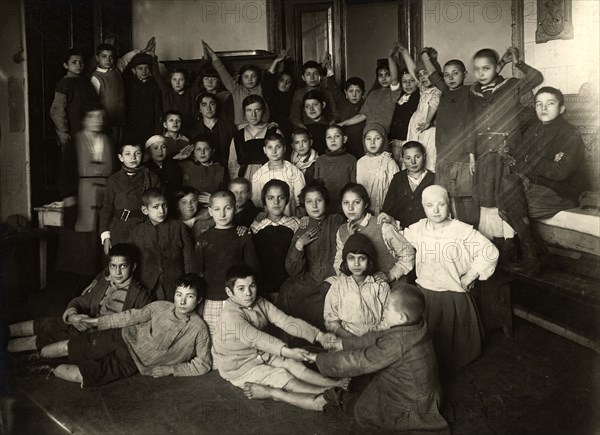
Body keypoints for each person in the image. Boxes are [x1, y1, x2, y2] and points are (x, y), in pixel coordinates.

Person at [307, 286, 449, 434]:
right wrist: (342, 344)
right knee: (370, 393)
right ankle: (347, 399)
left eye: (387, 308)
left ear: (401, 317)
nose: (384, 310)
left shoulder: (397, 342)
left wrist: (320, 359)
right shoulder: (416, 324)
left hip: (409, 403)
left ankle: (342, 400)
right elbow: (377, 337)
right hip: (424, 395)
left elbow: (359, 362)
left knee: (364, 414)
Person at [28, 274, 211, 388]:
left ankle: (49, 368)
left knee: (84, 375)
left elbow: (203, 364)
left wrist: (171, 369)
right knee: (73, 347)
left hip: (133, 362)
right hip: (121, 336)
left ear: (199, 299)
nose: (182, 301)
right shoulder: (161, 306)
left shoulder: (199, 329)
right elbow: (129, 317)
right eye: (179, 295)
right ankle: (37, 356)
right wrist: (95, 322)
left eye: (190, 297)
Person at [213, 264, 348, 411]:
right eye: (241, 288)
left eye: (252, 286)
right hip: (239, 366)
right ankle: (326, 393)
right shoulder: (230, 315)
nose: (248, 293)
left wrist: (318, 335)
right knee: (280, 375)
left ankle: (333, 384)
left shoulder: (260, 302)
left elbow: (285, 321)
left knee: (292, 364)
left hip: (260, 354)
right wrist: (287, 351)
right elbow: (257, 338)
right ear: (229, 292)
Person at [402, 185, 499, 372]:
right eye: (430, 205)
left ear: (449, 206)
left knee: (455, 350)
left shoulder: (460, 230)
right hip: (426, 294)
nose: (436, 210)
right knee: (427, 348)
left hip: (453, 295)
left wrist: (470, 275)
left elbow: (490, 252)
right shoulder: (418, 228)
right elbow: (400, 239)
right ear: (424, 207)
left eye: (441, 204)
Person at [499, 86, 586, 272]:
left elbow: (559, 173)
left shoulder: (570, 134)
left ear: (562, 109)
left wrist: (530, 159)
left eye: (550, 103)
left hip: (561, 192)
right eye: (539, 104)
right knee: (507, 183)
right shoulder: (533, 129)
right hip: (534, 185)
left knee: (507, 204)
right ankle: (534, 252)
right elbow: (517, 164)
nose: (543, 108)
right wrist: (538, 162)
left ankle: (534, 253)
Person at [467, 47, 543, 257]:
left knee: (505, 198)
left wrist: (516, 63)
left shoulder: (510, 86)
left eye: (486, 68)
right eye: (477, 69)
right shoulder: (473, 93)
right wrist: (472, 155)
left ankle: (511, 244)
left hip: (506, 153)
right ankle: (493, 244)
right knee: (487, 198)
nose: (481, 73)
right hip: (483, 154)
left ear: (496, 68)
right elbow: (470, 126)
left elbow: (537, 77)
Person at [7, 243, 151, 354]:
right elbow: (81, 301)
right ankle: (6, 331)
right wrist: (72, 315)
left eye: (123, 266)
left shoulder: (140, 294)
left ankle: (8, 347)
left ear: (133, 267)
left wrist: (94, 325)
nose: (117, 272)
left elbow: (140, 327)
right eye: (113, 266)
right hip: (84, 324)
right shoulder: (104, 282)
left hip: (101, 337)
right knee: (55, 321)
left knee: (52, 334)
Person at [194, 190, 261, 350]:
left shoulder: (243, 236)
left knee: (239, 339)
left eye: (227, 208)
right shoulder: (204, 239)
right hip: (212, 298)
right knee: (215, 340)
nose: (222, 214)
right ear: (210, 211)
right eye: (217, 209)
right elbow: (198, 272)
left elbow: (253, 270)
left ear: (236, 209)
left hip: (237, 299)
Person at [54, 105, 116, 276]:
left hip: (105, 193)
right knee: (82, 242)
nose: (98, 121)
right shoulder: (74, 141)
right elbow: (66, 172)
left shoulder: (109, 141)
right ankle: (82, 280)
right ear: (84, 120)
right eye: (93, 117)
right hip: (82, 195)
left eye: (100, 117)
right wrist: (69, 198)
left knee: (104, 233)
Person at [277, 181, 344, 330]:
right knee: (289, 291)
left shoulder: (337, 220)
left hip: (334, 275)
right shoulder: (303, 228)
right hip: (309, 278)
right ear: (304, 205)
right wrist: (299, 245)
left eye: (318, 200)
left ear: (326, 202)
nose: (314, 206)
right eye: (309, 202)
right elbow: (293, 270)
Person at [421, 48, 478, 225]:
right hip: (444, 156)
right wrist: (424, 56)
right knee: (446, 197)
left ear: (465, 74)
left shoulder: (471, 92)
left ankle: (471, 231)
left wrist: (472, 154)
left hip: (464, 156)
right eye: (446, 75)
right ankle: (454, 232)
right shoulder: (444, 90)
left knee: (467, 197)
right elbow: (432, 75)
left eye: (455, 73)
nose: (450, 78)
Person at [334, 183, 414, 286]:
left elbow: (408, 254)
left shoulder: (382, 226)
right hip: (362, 288)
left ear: (366, 204)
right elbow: (338, 262)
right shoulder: (342, 230)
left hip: (391, 285)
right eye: (346, 203)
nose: (350, 208)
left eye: (356, 202)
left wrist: (391, 275)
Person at [127, 188, 195, 301]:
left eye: (165, 205)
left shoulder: (179, 227)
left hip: (175, 286)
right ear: (145, 210)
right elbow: (127, 260)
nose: (162, 211)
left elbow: (189, 260)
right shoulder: (137, 232)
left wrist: (189, 284)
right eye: (155, 207)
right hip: (146, 287)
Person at [323, 233, 390, 337]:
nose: (356, 263)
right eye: (351, 258)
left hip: (374, 337)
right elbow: (330, 319)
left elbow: (388, 318)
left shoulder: (380, 286)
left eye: (362, 258)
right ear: (345, 260)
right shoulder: (339, 285)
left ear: (369, 260)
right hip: (346, 337)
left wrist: (372, 338)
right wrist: (348, 337)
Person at [99, 143, 162, 253]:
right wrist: (106, 236)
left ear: (143, 156)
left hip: (144, 226)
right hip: (119, 227)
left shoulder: (151, 177)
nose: (133, 158)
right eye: (127, 154)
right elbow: (107, 209)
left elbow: (159, 206)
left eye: (137, 154)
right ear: (121, 157)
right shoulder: (113, 179)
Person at [91, 40, 151, 144]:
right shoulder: (96, 77)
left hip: (121, 119)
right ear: (97, 58)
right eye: (104, 56)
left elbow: (126, 58)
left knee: (120, 146)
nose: (108, 60)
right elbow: (94, 103)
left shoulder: (116, 69)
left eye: (111, 56)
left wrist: (142, 51)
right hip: (107, 122)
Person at [250, 180, 300, 300]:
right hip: (264, 285)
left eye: (281, 197)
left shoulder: (296, 223)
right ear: (264, 201)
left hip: (289, 286)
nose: (276, 202)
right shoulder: (255, 226)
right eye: (270, 198)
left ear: (287, 200)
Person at [339, 43, 402, 134]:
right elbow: (362, 115)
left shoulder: (394, 92)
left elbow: (395, 80)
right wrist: (343, 123)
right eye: (380, 75)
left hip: (385, 136)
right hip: (369, 136)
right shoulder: (373, 94)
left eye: (387, 75)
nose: (383, 78)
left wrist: (390, 57)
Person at [204, 40, 268, 126]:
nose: (250, 79)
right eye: (246, 77)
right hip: (240, 128)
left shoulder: (262, 89)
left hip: (261, 127)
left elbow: (270, 79)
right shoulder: (237, 90)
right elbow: (223, 73)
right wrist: (213, 56)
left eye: (253, 76)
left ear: (258, 77)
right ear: (241, 78)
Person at [399, 45, 441, 171]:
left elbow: (434, 103)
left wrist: (427, 121)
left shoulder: (438, 89)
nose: (422, 77)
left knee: (427, 156)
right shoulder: (423, 89)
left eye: (426, 73)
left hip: (428, 127)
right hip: (416, 126)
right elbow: (413, 71)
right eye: (420, 75)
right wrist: (405, 53)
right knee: (412, 154)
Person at [49, 48, 98, 152]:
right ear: (66, 65)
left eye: (81, 62)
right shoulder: (64, 84)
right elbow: (57, 111)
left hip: (89, 131)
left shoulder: (86, 82)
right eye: (74, 62)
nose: (78, 65)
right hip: (72, 132)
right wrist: (63, 132)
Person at [380, 141, 435, 228]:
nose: (413, 162)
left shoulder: (433, 179)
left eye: (417, 157)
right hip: (401, 229)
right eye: (408, 158)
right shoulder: (398, 179)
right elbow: (387, 209)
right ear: (402, 159)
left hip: (426, 230)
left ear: (424, 156)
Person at [250, 132, 305, 216]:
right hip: (267, 221)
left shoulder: (294, 172)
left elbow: (301, 201)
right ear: (264, 150)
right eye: (270, 147)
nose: (274, 151)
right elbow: (256, 202)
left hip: (290, 219)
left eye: (278, 147)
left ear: (284, 148)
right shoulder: (259, 175)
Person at [227, 95, 280, 181]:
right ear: (244, 112)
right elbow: (232, 164)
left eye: (257, 110)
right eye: (249, 110)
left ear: (263, 111)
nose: (253, 115)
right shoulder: (238, 136)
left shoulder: (273, 132)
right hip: (244, 180)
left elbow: (281, 159)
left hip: (269, 178)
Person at [306, 125, 357, 215]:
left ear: (344, 139)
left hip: (344, 208)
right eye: (329, 137)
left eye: (336, 136)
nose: (332, 140)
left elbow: (354, 186)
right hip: (324, 209)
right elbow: (316, 187)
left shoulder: (351, 160)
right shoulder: (320, 160)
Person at [356, 123, 399, 214]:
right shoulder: (360, 162)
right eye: (368, 139)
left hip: (384, 210)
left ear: (384, 140)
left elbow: (396, 190)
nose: (372, 142)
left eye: (377, 138)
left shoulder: (389, 163)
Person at [151, 59, 198, 138]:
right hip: (170, 132)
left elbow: (199, 79)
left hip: (188, 131)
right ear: (170, 80)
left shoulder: (190, 92)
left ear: (185, 81)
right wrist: (153, 58)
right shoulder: (167, 92)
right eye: (174, 79)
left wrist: (206, 59)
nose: (177, 83)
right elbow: (157, 76)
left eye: (181, 79)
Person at [123, 52, 163, 145]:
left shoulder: (154, 86)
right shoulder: (129, 86)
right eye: (140, 68)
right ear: (134, 71)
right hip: (132, 126)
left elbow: (158, 110)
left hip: (149, 125)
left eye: (146, 68)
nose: (144, 71)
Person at [290, 58, 340, 128]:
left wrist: (332, 124)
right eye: (308, 74)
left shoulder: (327, 92)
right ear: (303, 77)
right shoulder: (298, 94)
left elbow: (335, 113)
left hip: (325, 127)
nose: (312, 77)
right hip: (305, 128)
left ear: (320, 76)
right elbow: (294, 116)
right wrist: (302, 127)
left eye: (315, 74)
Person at [190, 92, 235, 167]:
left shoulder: (229, 127)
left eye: (212, 104)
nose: (208, 108)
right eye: (204, 104)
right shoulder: (193, 129)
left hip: (226, 166)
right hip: (201, 168)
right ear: (199, 109)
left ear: (217, 106)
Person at [388, 68, 420, 163]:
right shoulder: (400, 96)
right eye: (404, 81)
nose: (408, 84)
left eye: (412, 81)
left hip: (408, 139)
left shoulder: (418, 95)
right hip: (396, 140)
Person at [263, 49, 294, 141]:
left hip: (289, 129)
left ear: (291, 85)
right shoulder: (271, 94)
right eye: (281, 81)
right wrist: (276, 62)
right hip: (273, 129)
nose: (284, 84)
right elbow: (268, 79)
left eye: (287, 82)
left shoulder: (293, 96)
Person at [145, 135, 183, 208]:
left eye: (163, 147)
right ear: (149, 151)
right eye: (155, 148)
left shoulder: (173, 166)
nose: (160, 151)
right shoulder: (146, 168)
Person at [339, 77, 366, 159]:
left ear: (363, 93)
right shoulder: (343, 105)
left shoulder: (365, 105)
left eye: (358, 91)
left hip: (362, 147)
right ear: (345, 92)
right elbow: (334, 90)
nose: (354, 95)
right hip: (346, 148)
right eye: (351, 91)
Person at [302, 90, 331, 155]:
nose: (311, 109)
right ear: (304, 109)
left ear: (323, 105)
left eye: (315, 105)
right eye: (307, 106)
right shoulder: (303, 129)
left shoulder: (330, 127)